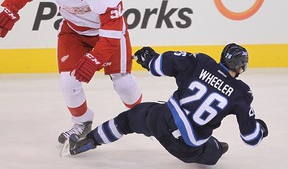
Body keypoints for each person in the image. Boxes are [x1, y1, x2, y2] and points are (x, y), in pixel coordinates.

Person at [0, 0, 142, 144]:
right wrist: (10, 7)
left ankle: (144, 117)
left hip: (107, 36)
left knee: (123, 83)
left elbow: (110, 38)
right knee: (67, 81)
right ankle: (82, 122)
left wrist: (94, 59)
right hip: (73, 32)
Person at [61, 44, 268, 165]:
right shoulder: (241, 93)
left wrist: (148, 58)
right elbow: (250, 137)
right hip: (187, 148)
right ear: (240, 67)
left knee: (127, 120)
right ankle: (214, 149)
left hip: (161, 119)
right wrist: (261, 129)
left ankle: (90, 140)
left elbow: (159, 65)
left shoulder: (201, 63)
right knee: (211, 151)